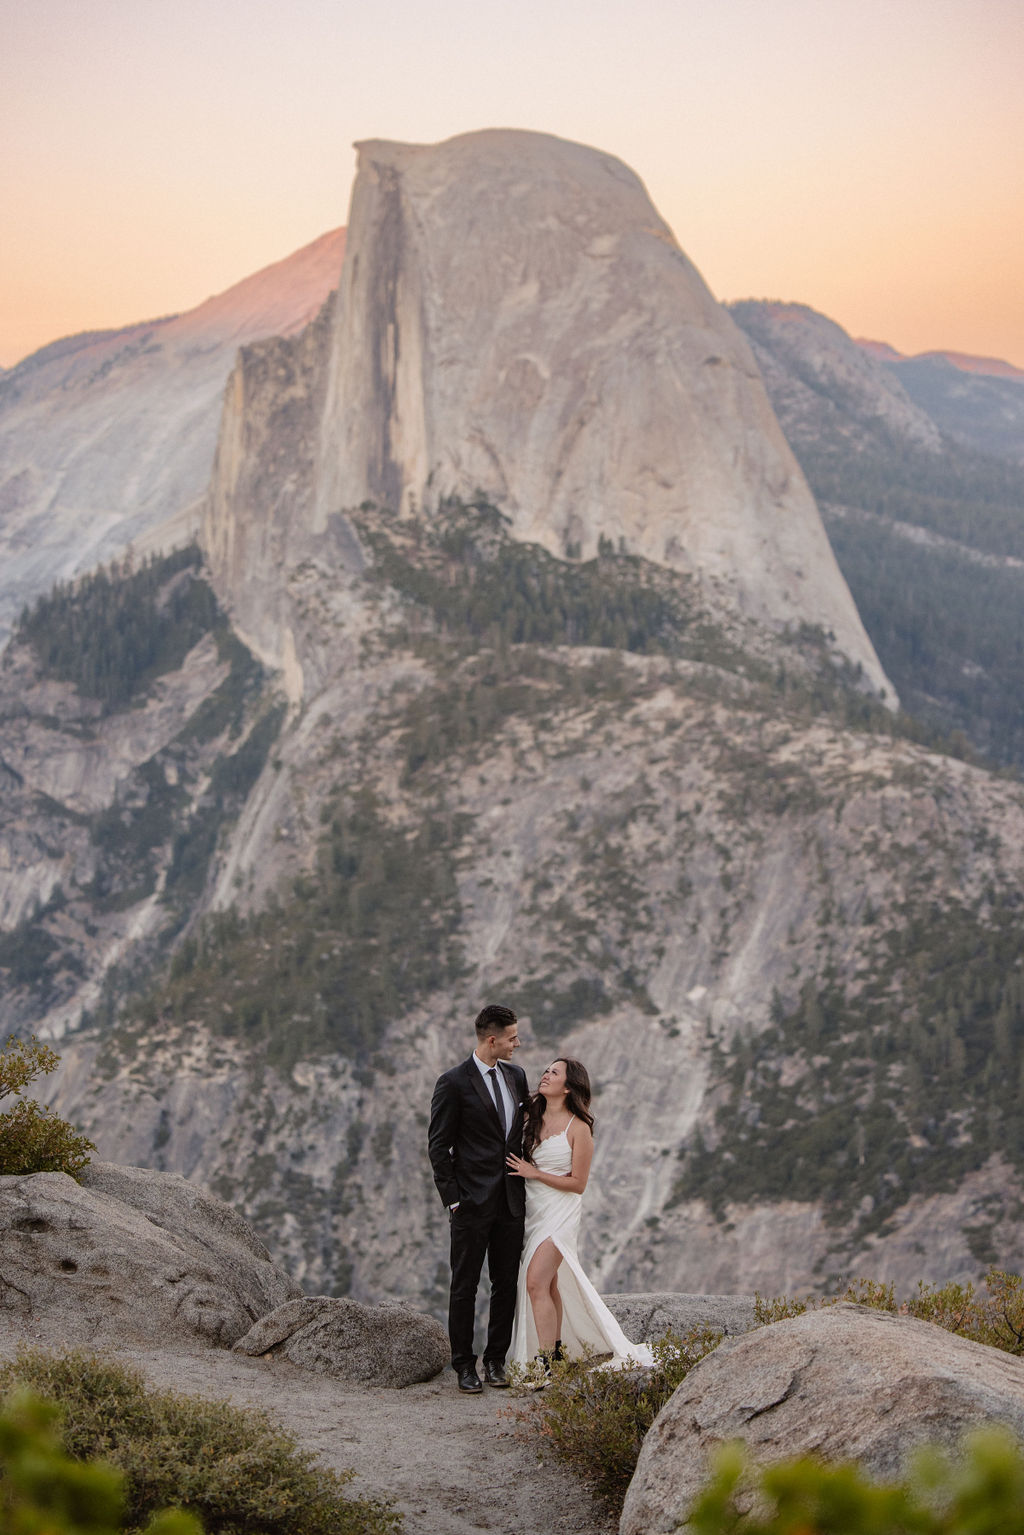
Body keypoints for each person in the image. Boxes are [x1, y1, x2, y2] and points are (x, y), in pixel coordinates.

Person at [505, 1056, 652, 1378]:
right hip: (532, 1210)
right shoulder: (530, 1116)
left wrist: (535, 1173)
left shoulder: (579, 1128)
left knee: (535, 1283)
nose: (545, 1075)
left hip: (559, 1213)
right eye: (546, 1070)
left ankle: (543, 1364)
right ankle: (555, 1351)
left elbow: (578, 1184)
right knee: (551, 1284)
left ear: (568, 1087)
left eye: (554, 1073)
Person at [427, 1003, 529, 1393]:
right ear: (492, 1039)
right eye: (512, 1037)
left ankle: (496, 1361)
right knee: (465, 1285)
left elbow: (521, 1133)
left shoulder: (516, 1077)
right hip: (470, 1203)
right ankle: (464, 1366)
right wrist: (454, 1199)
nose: (517, 1044)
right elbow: (438, 1146)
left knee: (506, 1283)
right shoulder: (452, 1083)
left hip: (510, 1201)